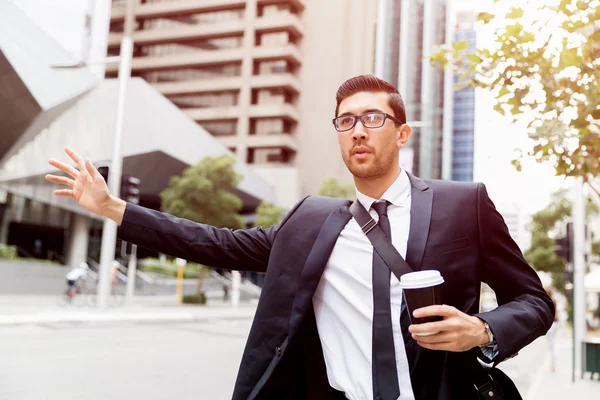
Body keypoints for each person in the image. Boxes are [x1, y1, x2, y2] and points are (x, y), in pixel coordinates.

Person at [45, 75, 554, 400]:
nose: (358, 130)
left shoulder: (463, 204)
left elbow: (533, 300)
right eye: (346, 120)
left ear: (401, 134)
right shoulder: (311, 219)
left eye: (373, 118)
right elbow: (215, 243)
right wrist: (113, 208)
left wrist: (483, 330)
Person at [545, 288, 560, 373]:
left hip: (552, 324)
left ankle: (552, 366)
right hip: (555, 323)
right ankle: (552, 365)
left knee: (551, 346)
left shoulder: (549, 301)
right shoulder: (553, 301)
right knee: (551, 345)